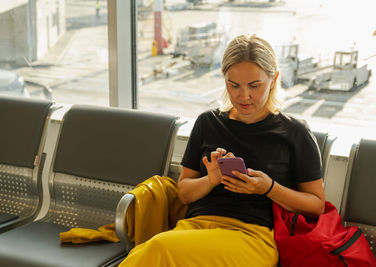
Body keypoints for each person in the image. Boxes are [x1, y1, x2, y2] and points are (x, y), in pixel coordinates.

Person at [119, 34, 325, 266]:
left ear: (274, 79)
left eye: (254, 86)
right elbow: (185, 194)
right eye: (233, 85)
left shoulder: (294, 132)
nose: (243, 96)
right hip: (195, 228)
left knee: (155, 250)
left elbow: (316, 205)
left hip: (252, 237)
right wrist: (211, 179)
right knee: (154, 251)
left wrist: (269, 188)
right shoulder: (208, 122)